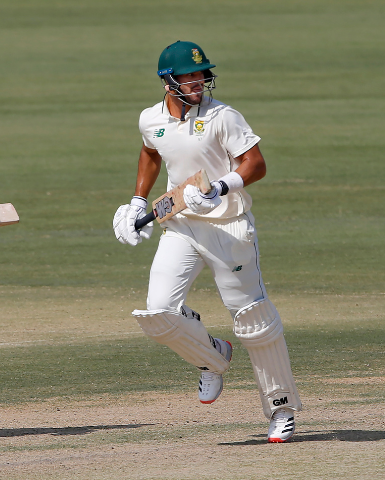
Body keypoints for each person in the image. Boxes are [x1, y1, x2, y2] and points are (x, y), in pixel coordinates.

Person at [112, 41, 301, 443]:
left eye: (201, 75)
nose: (198, 82)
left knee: (252, 319)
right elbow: (151, 153)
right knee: (158, 314)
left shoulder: (222, 116)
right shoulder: (150, 118)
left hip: (228, 226)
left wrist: (219, 186)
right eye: (189, 76)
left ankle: (281, 407)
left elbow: (256, 164)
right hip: (180, 224)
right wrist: (136, 201)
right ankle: (212, 357)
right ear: (168, 81)